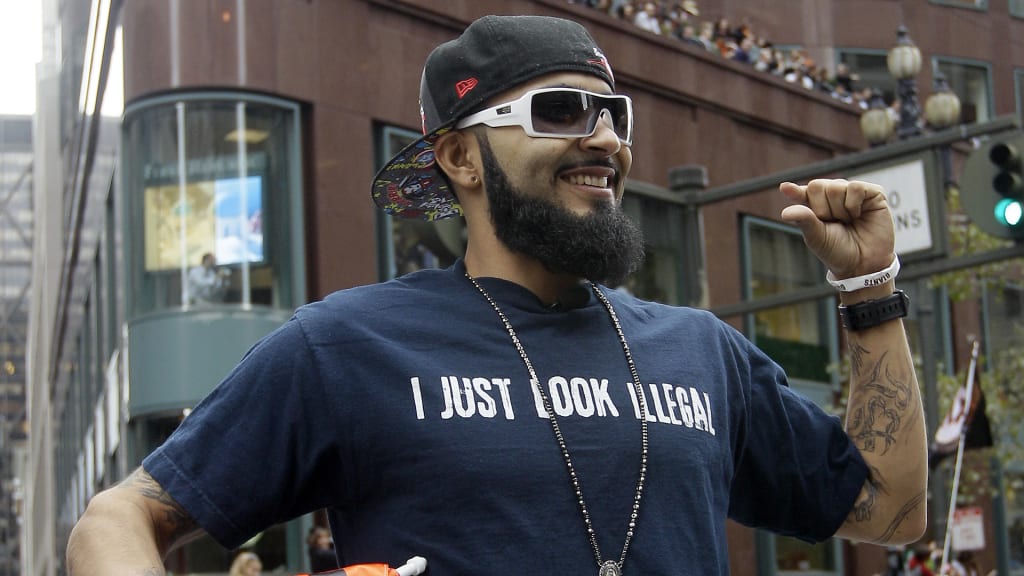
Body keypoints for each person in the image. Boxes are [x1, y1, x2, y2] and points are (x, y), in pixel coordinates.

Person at [66, 14, 927, 575]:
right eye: (559, 112)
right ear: (460, 157)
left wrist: (869, 288)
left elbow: (891, 510)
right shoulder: (348, 346)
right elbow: (117, 520)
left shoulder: (702, 351)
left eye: (614, 117)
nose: (603, 140)